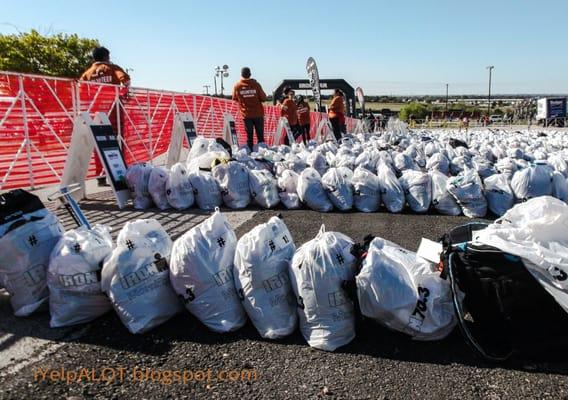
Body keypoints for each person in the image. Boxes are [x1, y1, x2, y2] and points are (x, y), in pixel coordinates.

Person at [80, 46, 130, 186]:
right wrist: (124, 94)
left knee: (98, 142)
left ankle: (100, 176)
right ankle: (120, 174)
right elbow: (125, 80)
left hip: (96, 112)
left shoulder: (87, 73)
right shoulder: (112, 68)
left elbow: (81, 91)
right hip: (113, 111)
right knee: (118, 140)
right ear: (106, 57)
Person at [232, 67, 267, 152]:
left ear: (241, 75)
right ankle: (262, 154)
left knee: (249, 137)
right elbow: (264, 98)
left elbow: (234, 98)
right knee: (260, 136)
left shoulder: (237, 86)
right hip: (258, 114)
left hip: (246, 114)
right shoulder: (256, 84)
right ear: (250, 74)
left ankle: (250, 154)